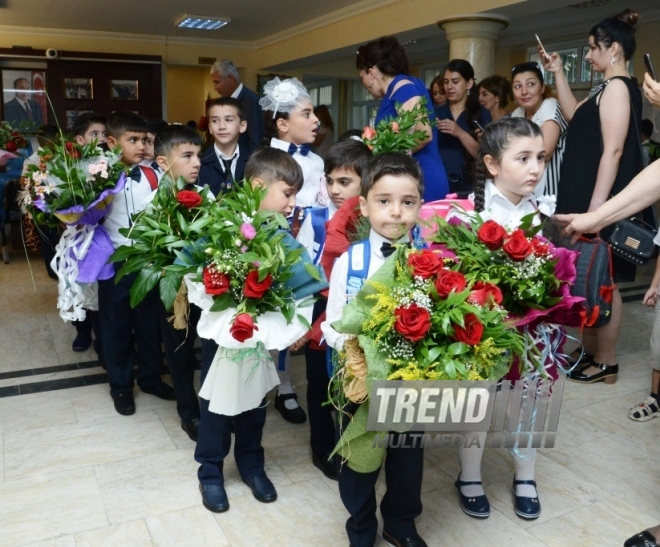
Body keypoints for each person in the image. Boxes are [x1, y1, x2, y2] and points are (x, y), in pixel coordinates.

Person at [322, 152, 427, 547]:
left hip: (408, 383)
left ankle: (401, 523)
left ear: (420, 204)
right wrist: (355, 353)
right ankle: (361, 527)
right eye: (384, 201)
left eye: (408, 201)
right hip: (358, 383)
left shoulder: (428, 261)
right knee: (358, 460)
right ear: (364, 206)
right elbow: (332, 322)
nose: (396, 213)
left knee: (407, 457)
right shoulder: (351, 261)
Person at [452, 117, 552, 522]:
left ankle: (526, 475)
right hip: (484, 328)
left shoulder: (545, 212)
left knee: (530, 398)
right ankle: (469, 476)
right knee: (476, 401)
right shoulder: (468, 214)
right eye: (524, 158)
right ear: (492, 165)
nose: (535, 168)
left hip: (533, 330)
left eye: (541, 158)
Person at [196, 147, 305, 513]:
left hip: (258, 334)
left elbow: (297, 282)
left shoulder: (283, 235)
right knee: (216, 402)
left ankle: (251, 463)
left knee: (255, 401)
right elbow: (197, 272)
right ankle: (210, 471)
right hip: (225, 330)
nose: (292, 203)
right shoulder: (223, 224)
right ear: (259, 186)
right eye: (287, 193)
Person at [542, 8, 645, 384]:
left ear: (613, 49)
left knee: (605, 281)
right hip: (585, 198)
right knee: (586, 277)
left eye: (591, 49)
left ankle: (607, 360)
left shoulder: (619, 87)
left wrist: (597, 210)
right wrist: (557, 74)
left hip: (599, 201)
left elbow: (614, 151)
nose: (587, 56)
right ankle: (587, 349)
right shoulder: (605, 87)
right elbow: (574, 115)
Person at [294, 139, 372, 481]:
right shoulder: (319, 215)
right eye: (330, 180)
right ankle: (321, 447)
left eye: (345, 182)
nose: (335, 189)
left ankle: (352, 448)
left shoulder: (368, 219)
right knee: (319, 380)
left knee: (355, 380)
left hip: (356, 308)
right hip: (320, 303)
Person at [98, 111, 175, 416]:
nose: (142, 146)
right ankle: (120, 385)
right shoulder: (98, 177)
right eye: (133, 140)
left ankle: (151, 377)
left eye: (144, 139)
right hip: (113, 262)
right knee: (116, 324)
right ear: (112, 142)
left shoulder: (154, 175)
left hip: (147, 261)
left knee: (148, 322)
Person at [260, 77, 323, 422]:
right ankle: (277, 386)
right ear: (283, 124)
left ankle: (288, 384)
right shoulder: (269, 160)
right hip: (282, 243)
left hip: (313, 243)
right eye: (307, 113)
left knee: (301, 318)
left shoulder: (316, 160)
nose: (316, 121)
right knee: (276, 316)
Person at [152, 124, 204, 441]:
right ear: (163, 162)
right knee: (180, 351)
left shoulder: (204, 196)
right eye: (187, 155)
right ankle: (189, 412)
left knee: (205, 348)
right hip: (175, 293)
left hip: (204, 289)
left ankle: (214, 407)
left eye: (198, 154)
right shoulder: (154, 205)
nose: (196, 162)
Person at [356, 36, 448, 202]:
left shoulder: (402, 87)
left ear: (371, 71)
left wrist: (389, 159)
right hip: (414, 175)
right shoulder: (399, 87)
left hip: (421, 176)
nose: (364, 83)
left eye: (361, 76)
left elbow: (424, 133)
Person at [70, 115, 108, 358]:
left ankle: (102, 337)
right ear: (80, 139)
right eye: (95, 134)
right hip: (77, 237)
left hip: (101, 237)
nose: (101, 139)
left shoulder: (109, 165)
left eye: (104, 134)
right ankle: (81, 330)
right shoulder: (68, 168)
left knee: (97, 289)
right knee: (77, 285)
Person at [510, 62, 567, 197]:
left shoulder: (550, 105)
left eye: (531, 84)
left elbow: (545, 152)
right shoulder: (516, 114)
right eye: (518, 86)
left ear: (542, 88)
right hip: (528, 186)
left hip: (553, 188)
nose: (524, 91)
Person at [436, 59, 491, 196]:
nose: (449, 87)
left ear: (469, 83)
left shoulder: (480, 114)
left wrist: (459, 132)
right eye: (446, 82)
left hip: (469, 184)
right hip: (439, 181)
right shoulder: (436, 112)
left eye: (455, 82)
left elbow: (485, 156)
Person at [210, 59, 264, 155]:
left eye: (217, 82)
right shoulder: (226, 100)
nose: (215, 87)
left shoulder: (251, 101)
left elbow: (256, 140)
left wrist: (249, 166)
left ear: (230, 79)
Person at [198, 97, 248, 197]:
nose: (222, 126)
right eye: (215, 121)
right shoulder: (199, 163)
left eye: (228, 120)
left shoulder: (253, 162)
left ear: (242, 126)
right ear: (210, 128)